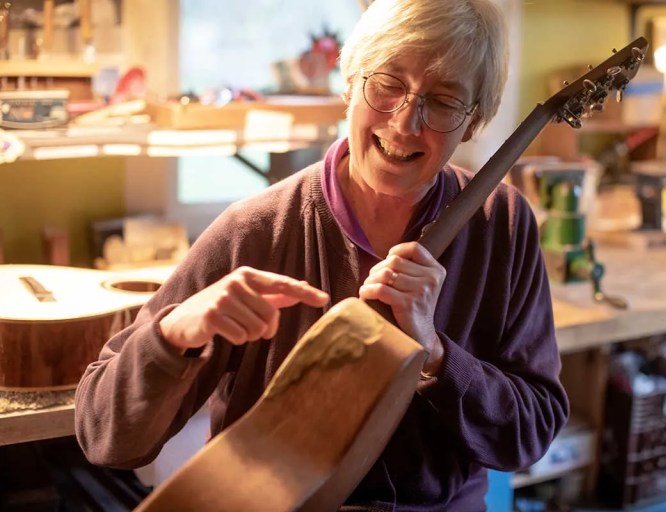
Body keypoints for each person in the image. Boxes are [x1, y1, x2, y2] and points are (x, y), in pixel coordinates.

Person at [75, 0, 569, 509]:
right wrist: (173, 334)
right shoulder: (256, 231)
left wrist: (437, 357)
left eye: (443, 102)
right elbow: (105, 437)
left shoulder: (503, 223)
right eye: (387, 84)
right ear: (349, 85)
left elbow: (530, 433)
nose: (404, 124)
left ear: (473, 124)